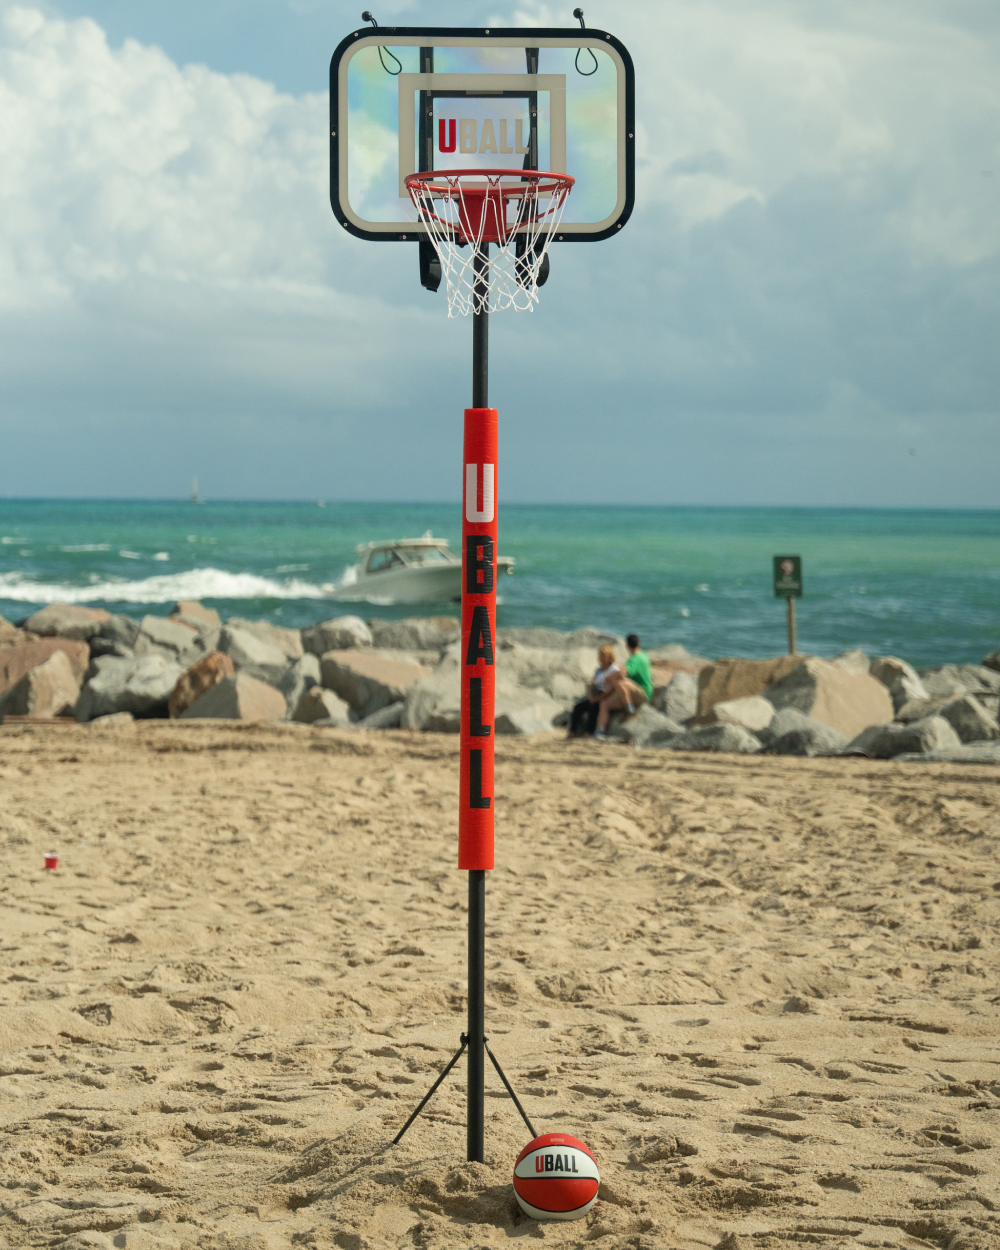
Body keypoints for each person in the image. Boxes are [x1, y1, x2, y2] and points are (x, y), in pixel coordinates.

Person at [594, 637, 648, 737]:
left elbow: (623, 673)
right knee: (604, 704)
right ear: (638, 644)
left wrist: (608, 678)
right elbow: (628, 668)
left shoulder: (636, 658)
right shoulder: (642, 656)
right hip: (633, 693)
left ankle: (630, 710)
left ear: (627, 646)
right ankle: (599, 732)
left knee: (618, 681)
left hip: (642, 693)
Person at [568, 644, 622, 738]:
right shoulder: (598, 670)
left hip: (607, 696)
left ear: (609, 656)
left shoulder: (614, 669)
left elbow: (613, 688)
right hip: (596, 694)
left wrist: (599, 698)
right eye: (600, 655)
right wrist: (591, 696)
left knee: (593, 709)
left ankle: (589, 733)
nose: (601, 658)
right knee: (578, 707)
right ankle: (572, 731)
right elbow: (592, 684)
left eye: (603, 655)